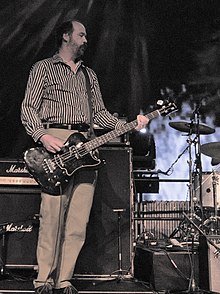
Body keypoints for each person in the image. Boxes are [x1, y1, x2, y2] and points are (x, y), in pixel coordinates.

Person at [20, 19, 148, 294]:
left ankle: (64, 279)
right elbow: (29, 107)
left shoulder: (89, 75)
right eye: (81, 35)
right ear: (66, 37)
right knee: (52, 216)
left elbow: (100, 114)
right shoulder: (43, 68)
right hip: (56, 142)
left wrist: (128, 123)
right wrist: (43, 136)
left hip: (86, 147)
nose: (86, 40)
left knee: (78, 221)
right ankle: (43, 280)